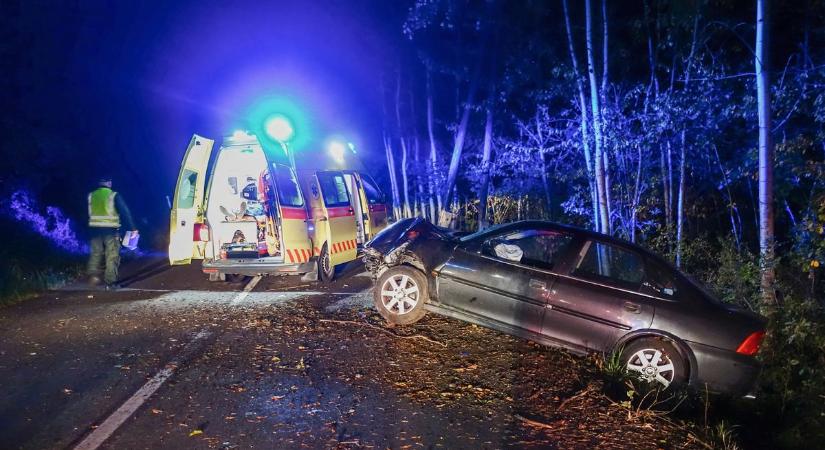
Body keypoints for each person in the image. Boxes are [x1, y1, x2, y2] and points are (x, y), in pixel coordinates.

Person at [87, 177, 137, 289]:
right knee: (112, 255)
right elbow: (125, 212)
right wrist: (133, 228)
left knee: (96, 253)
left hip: (94, 230)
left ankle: (92, 275)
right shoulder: (113, 195)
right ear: (109, 183)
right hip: (110, 230)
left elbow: (87, 212)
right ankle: (110, 283)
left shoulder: (92, 195)